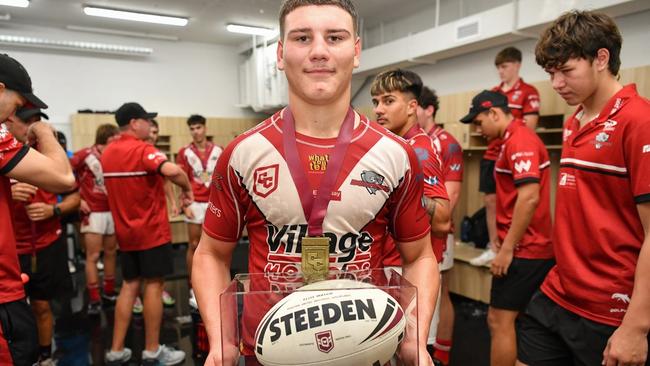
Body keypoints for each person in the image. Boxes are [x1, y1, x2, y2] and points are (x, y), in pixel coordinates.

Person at [193, 1, 439, 365]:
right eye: (302, 37)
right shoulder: (243, 153)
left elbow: (420, 256)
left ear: (356, 51)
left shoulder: (396, 154)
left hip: (366, 348)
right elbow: (210, 254)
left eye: (334, 37)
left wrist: (416, 336)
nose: (319, 51)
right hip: (269, 350)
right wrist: (221, 340)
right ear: (280, 53)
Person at [517, 10, 650, 366]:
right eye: (550, 73)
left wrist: (636, 327)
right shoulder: (574, 120)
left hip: (610, 308)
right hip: (558, 291)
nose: (556, 83)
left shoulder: (639, 121)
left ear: (601, 59)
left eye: (566, 70)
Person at [460, 91, 554, 366]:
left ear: (494, 113)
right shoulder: (510, 140)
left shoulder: (520, 140)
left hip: (526, 250)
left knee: (498, 320)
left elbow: (529, 197)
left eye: (479, 122)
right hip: (527, 247)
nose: (479, 129)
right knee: (520, 321)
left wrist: (506, 249)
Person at [102, 102, 193, 365]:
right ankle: (152, 350)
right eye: (147, 121)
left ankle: (116, 350)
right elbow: (173, 171)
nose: (150, 125)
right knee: (154, 285)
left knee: (129, 285)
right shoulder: (143, 149)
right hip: (151, 233)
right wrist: (187, 190)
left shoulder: (108, 152)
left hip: (125, 235)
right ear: (134, 123)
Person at [0, 53, 75, 366]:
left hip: (38, 247)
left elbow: (73, 194)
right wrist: (46, 132)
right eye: (18, 107)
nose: (12, 118)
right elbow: (64, 178)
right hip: (4, 288)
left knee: (44, 307)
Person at [471, 47, 541, 267]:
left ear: (517, 65)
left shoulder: (529, 91)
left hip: (513, 153)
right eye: (498, 68)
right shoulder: (493, 92)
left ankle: (511, 243)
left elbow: (528, 127)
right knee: (490, 200)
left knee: (514, 199)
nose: (501, 71)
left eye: (505, 66)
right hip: (492, 154)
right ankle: (493, 247)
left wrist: (508, 141)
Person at [417, 86, 464, 365]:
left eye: (416, 106)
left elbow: (452, 195)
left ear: (428, 109)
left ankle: (442, 352)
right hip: (416, 234)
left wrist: (436, 227)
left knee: (440, 289)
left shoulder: (447, 142)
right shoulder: (414, 141)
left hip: (437, 232)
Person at [70, 124, 120, 315]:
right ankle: (94, 298)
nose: (117, 144)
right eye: (113, 141)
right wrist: (76, 197)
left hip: (112, 210)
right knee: (92, 256)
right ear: (103, 141)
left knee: (111, 253)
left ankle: (108, 292)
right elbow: (65, 172)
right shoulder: (84, 154)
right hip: (93, 212)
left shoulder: (115, 156)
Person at [176, 114, 223, 310]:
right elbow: (181, 179)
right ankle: (192, 286)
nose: (196, 132)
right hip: (195, 202)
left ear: (205, 128)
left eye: (198, 128)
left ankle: (217, 283)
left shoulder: (219, 150)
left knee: (217, 245)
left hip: (214, 202)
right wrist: (184, 203)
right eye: (192, 129)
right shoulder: (184, 152)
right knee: (194, 245)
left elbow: (223, 177)